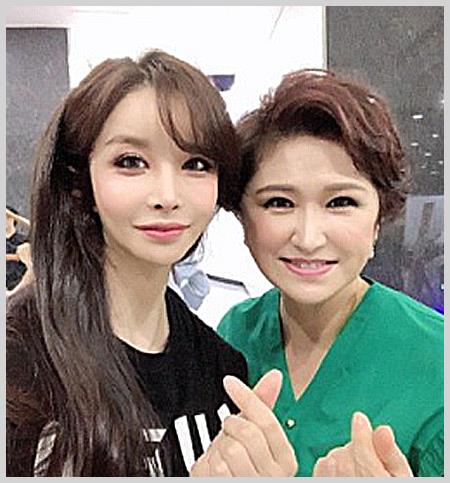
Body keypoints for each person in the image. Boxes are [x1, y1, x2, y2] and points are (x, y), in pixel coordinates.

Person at [6, 49, 256, 477]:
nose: (167, 196)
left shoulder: (221, 369)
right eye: (130, 162)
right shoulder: (17, 361)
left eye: (196, 164)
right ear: (80, 181)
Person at [217, 68, 443, 477]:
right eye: (278, 203)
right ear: (243, 219)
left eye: (340, 203)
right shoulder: (235, 333)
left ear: (379, 218)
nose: (308, 237)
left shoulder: (436, 360)